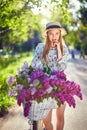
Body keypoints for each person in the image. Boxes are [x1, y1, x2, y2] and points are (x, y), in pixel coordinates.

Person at [31, 22, 69, 130]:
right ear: (47, 35)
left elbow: (62, 68)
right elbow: (33, 65)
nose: (54, 37)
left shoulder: (64, 49)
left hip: (60, 86)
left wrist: (58, 51)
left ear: (60, 34)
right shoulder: (40, 47)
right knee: (47, 121)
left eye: (57, 34)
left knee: (60, 117)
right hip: (45, 87)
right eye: (51, 34)